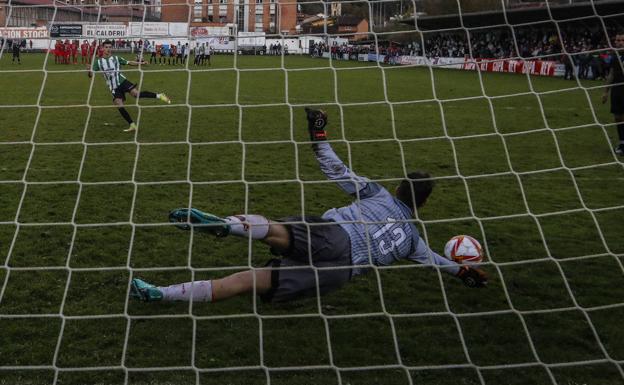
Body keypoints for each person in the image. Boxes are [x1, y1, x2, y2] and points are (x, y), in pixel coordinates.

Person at [130, 108, 488, 304]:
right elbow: (444, 266)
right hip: (343, 271)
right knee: (246, 282)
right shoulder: (413, 241)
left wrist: (318, 133)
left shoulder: (378, 193)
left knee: (275, 232)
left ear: (398, 187)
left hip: (336, 234)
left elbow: (337, 170)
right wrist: (468, 274)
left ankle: (229, 225)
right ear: (422, 204)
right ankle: (160, 296)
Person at [88, 39, 171, 132]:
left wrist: (141, 63)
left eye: (110, 47)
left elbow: (129, 62)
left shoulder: (116, 58)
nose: (108, 49)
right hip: (113, 87)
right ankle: (132, 125)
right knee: (119, 104)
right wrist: (89, 70)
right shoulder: (98, 62)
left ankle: (160, 95)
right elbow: (91, 75)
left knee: (136, 94)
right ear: (102, 48)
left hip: (123, 82)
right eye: (106, 47)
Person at [602, 31, 624, 156]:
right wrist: (605, 92)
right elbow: (611, 74)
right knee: (618, 117)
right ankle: (622, 143)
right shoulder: (615, 55)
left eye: (622, 40)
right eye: (618, 40)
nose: (620, 42)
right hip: (616, 90)